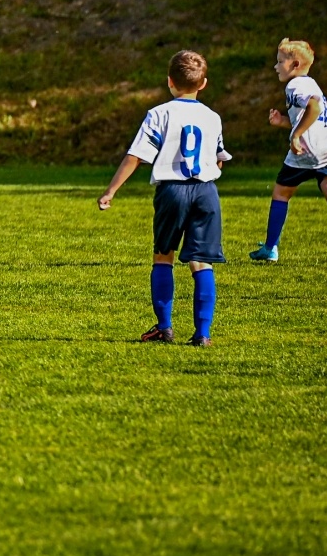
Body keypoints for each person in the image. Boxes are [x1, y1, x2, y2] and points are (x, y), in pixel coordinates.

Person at [98, 50, 231, 346]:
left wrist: (111, 191)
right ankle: (202, 333)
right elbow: (219, 158)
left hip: (172, 190)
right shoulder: (212, 117)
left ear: (170, 81)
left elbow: (136, 156)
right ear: (204, 83)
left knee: (163, 256)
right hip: (206, 191)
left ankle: (164, 327)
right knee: (202, 262)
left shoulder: (159, 113)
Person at [249, 38, 327, 262]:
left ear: (295, 64)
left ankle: (270, 248)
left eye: (280, 61)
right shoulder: (311, 83)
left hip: (307, 151)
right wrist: (283, 122)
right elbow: (310, 117)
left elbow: (314, 108)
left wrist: (296, 135)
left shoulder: (294, 85)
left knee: (281, 193)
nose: (275, 66)